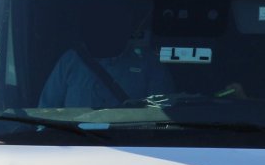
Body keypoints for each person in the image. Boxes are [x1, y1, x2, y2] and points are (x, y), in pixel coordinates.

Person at [38, 8, 173, 108]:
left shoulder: (149, 65)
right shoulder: (70, 61)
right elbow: (47, 110)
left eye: (113, 24)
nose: (105, 31)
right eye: (98, 25)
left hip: (132, 137)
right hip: (75, 137)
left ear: (127, 29)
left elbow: (161, 117)